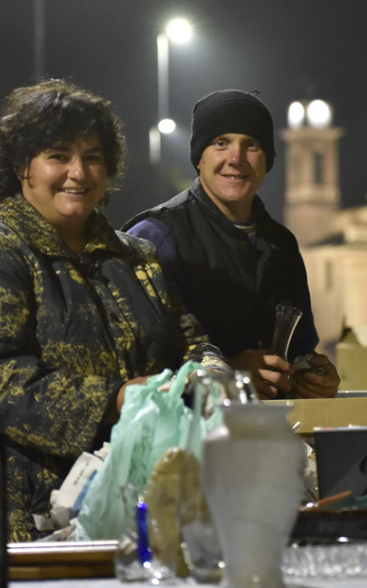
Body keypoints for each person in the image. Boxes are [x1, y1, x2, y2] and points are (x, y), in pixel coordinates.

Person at [0, 79, 229, 542]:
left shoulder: (136, 257)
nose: (78, 173)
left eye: (93, 157)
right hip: (35, 523)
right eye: (58, 155)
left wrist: (214, 376)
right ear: (22, 163)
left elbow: (194, 343)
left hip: (143, 507)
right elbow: (5, 379)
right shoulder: (8, 249)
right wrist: (116, 399)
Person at [123, 89, 339, 401]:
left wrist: (313, 375)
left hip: (271, 433)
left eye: (251, 145)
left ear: (268, 160)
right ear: (200, 157)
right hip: (186, 439)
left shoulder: (280, 244)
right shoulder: (154, 237)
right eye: (220, 143)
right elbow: (134, 365)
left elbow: (300, 346)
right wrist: (227, 376)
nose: (235, 159)